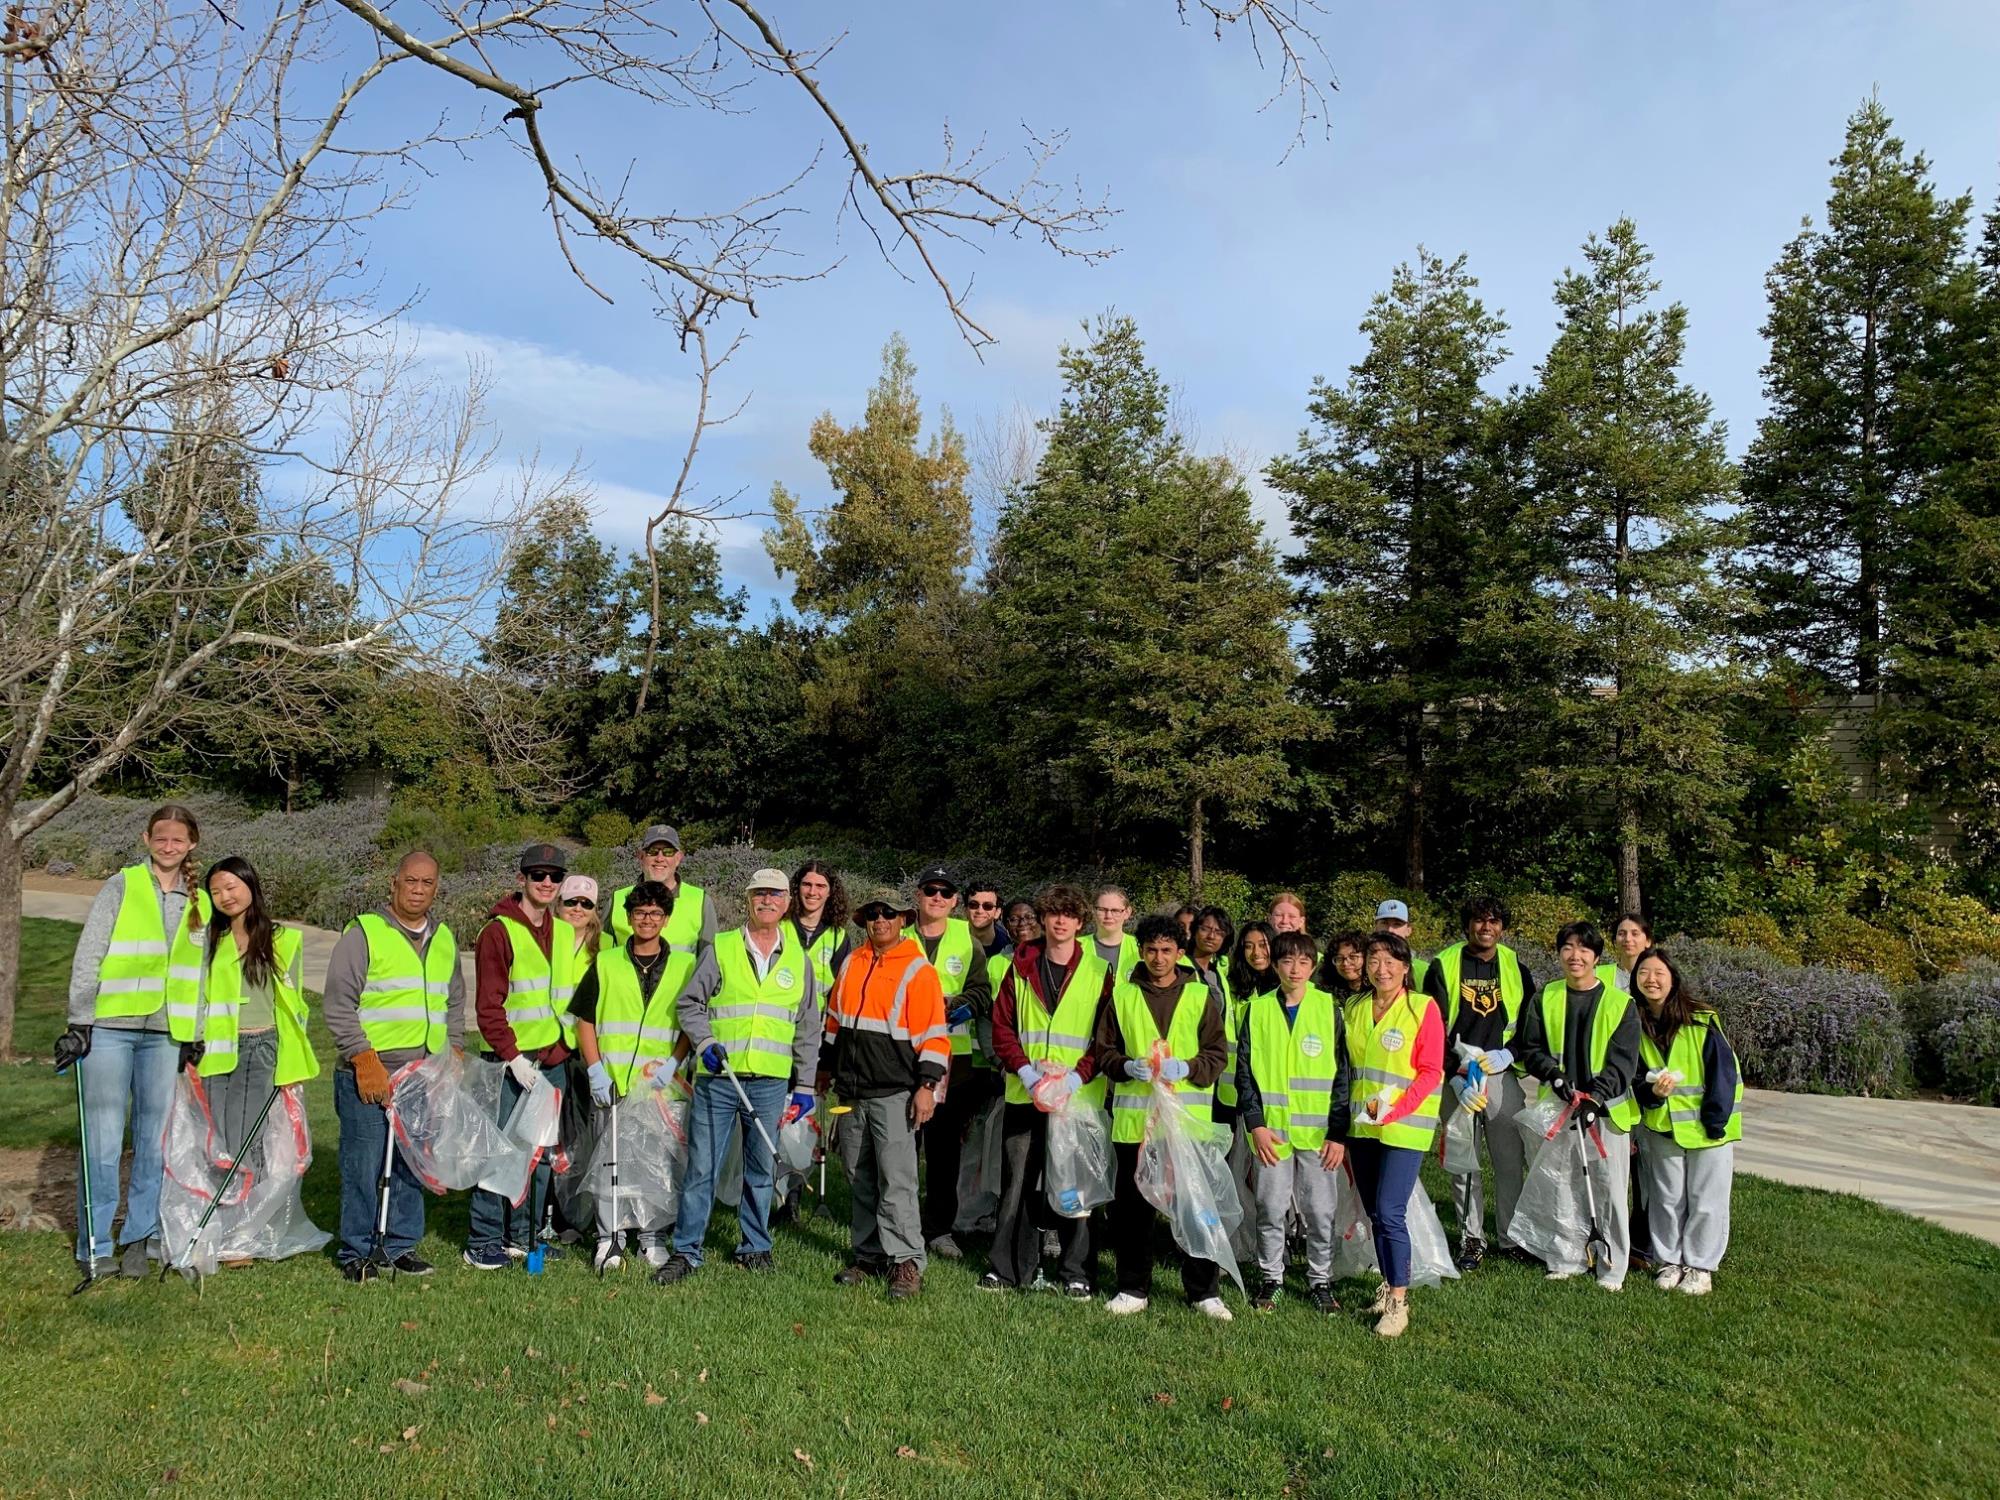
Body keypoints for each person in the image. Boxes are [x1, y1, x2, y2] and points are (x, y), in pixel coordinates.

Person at [54, 804, 212, 1279]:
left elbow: (199, 974)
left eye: (178, 840)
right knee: (101, 1139)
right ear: (146, 839)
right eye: (161, 838)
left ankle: (138, 1238)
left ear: (191, 845)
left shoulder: (198, 901)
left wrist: (195, 1034)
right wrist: (80, 1019)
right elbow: (91, 951)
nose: (169, 847)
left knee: (153, 1142)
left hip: (165, 1036)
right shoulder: (121, 885)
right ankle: (95, 1243)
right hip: (109, 1028)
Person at [654, 869, 821, 1282]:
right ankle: (687, 1250)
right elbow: (690, 1004)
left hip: (769, 1082)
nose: (767, 901)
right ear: (748, 900)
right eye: (759, 894)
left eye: (775, 895)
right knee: (702, 1167)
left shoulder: (799, 959)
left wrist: (804, 1085)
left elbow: (808, 1026)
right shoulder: (723, 947)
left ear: (787, 903)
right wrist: (705, 1044)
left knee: (761, 1168)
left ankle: (755, 1246)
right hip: (719, 1079)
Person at [321, 850, 465, 1281]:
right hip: (370, 1072)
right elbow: (339, 1003)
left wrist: (453, 1052)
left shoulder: (443, 938)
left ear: (436, 889)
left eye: (427, 884)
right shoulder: (364, 933)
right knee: (363, 1165)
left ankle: (401, 1244)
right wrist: (362, 1058)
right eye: (411, 881)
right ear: (394, 883)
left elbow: (454, 1001)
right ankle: (358, 1251)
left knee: (410, 1161)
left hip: (422, 1073)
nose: (418, 890)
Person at [1095, 915, 1232, 1320]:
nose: (1158, 958)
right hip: (1135, 1124)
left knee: (1193, 1206)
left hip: (1186, 1123)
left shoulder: (1198, 995)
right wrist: (1125, 1066)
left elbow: (1217, 1053)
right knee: (1133, 1211)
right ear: (1141, 951)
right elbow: (1103, 1052)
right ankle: (1132, 1287)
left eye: (1167, 950)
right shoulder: (1122, 996)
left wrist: (1188, 1067)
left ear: (1180, 952)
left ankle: (1204, 1291)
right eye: (1151, 950)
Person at [818, 887, 950, 1301]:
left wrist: (926, 1088)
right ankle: (869, 1255)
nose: (880, 920)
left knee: (898, 1180)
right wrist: (825, 1067)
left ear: (902, 920)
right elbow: (834, 1022)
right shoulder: (853, 962)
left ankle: (907, 1262)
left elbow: (933, 1035)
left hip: (895, 1091)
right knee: (859, 1177)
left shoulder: (918, 969)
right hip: (851, 1089)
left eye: (888, 914)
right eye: (873, 914)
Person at [189, 856, 322, 1265]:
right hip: (218, 1050)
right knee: (221, 1141)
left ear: (250, 885)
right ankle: (221, 1227)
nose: (225, 897)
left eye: (232, 886)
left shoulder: (282, 940)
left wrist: (289, 1060)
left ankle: (245, 1233)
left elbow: (293, 1006)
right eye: (216, 891)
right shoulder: (207, 942)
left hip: (263, 1049)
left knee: (252, 1140)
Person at [984, 883, 1110, 1294]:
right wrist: (1026, 1073)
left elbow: (1105, 1038)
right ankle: (1006, 1269)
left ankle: (1076, 1273)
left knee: (1074, 1188)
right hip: (1026, 1094)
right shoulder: (1018, 967)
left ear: (1079, 922)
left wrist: (1075, 1077)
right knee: (1016, 1185)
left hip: (1075, 1099)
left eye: (1069, 915)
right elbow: (1002, 1028)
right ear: (1044, 919)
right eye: (1053, 914)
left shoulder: (1097, 972)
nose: (1060, 922)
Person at [465, 843, 576, 1270]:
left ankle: (523, 1233)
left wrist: (562, 1047)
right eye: (537, 876)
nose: (546, 883)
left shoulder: (563, 931)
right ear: (522, 880)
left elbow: (564, 997)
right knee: (501, 1151)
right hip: (512, 1061)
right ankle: (484, 1238)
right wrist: (512, 1056)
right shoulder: (498, 931)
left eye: (554, 877)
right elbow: (489, 1006)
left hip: (552, 1059)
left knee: (541, 1151)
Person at [1515, 921, 1641, 1293]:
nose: (1575, 955)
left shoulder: (1621, 1004)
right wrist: (1554, 1077)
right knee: (1563, 1185)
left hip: (1605, 1112)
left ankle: (1612, 1266)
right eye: (1567, 947)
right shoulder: (1546, 996)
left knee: (1611, 1191)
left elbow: (1623, 1063)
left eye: (1584, 949)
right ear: (1559, 954)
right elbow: (1531, 1047)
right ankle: (1566, 1256)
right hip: (1559, 1107)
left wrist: (1596, 1098)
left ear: (1596, 958)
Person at [570, 880, 688, 1270]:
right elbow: (585, 1020)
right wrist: (595, 1068)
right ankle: (610, 1237)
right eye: (640, 913)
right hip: (615, 1083)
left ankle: (651, 1236)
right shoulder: (606, 962)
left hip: (658, 1087)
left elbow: (691, 1022)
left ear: (666, 919)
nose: (647, 920)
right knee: (610, 1161)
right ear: (629, 918)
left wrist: (675, 1061)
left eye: (655, 913)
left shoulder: (686, 966)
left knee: (655, 1164)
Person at [1423, 893, 1535, 1272]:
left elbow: (1530, 1026)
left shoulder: (1515, 966)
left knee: (1509, 1160)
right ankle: (1472, 1238)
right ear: (1467, 924)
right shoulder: (1445, 963)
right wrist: (1453, 1075)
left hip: (1500, 1074)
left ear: (1502, 927)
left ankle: (1511, 1235)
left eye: (1493, 921)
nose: (1486, 927)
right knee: (1462, 1160)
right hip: (1459, 1076)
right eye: (1478, 920)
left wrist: (1511, 1054)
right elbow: (1433, 1028)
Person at [1239, 931, 1350, 1313]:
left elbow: (1342, 1076)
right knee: (1270, 1208)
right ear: (1275, 965)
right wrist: (1255, 1123)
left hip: (1319, 1134)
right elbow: (1244, 1074)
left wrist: (1338, 1132)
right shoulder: (1257, 1010)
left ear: (1314, 966)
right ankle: (1272, 1277)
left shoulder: (1328, 1009)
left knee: (1320, 1211)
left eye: (1304, 962)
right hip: (1272, 1133)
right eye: (1287, 961)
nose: (1295, 969)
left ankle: (1321, 1279)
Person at [1342, 930, 1444, 1338]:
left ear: (1406, 967)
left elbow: (1431, 1069)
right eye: (1373, 961)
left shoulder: (1422, 1008)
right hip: (1362, 1125)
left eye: (1390, 962)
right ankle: (1388, 1286)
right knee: (1373, 1214)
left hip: (1404, 1125)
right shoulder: (1353, 1006)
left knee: (1389, 1211)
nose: (1381, 969)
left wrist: (1396, 1109)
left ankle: (1399, 1302)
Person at [1632, 947, 1740, 1296]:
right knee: (1666, 1198)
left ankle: (1700, 1267)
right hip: (1663, 1126)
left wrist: (1715, 1121)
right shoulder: (1635, 1024)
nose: (1651, 979)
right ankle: (1670, 1261)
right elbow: (1635, 1079)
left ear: (1673, 978)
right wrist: (1653, 1096)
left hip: (1709, 1130)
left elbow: (1724, 1074)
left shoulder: (1702, 1021)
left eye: (1659, 972)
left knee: (1706, 1200)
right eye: (1644, 973)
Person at [906, 864, 994, 1261]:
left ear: (955, 901)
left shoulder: (965, 937)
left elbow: (982, 991)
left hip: (952, 1061)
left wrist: (961, 1006)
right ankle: (903, 1224)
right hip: (903, 1056)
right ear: (918, 896)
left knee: (944, 1152)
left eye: (945, 892)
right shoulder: (900, 934)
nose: (937, 898)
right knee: (903, 1148)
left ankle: (939, 1229)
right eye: (930, 891)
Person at [608, 824, 716, 965]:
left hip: (682, 988)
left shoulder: (700, 901)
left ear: (678, 858)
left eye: (668, 852)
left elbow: (710, 962)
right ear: (641, 856)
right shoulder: (616, 900)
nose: (660, 858)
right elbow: (600, 958)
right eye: (653, 851)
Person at [789, 860, 851, 1004]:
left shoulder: (838, 937)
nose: (812, 892)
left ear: (830, 892)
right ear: (797, 888)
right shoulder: (779, 927)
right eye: (807, 884)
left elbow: (840, 990)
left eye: (820, 886)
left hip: (817, 1024)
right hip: (779, 1022)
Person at [1373, 899, 1430, 992]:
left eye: (1397, 924)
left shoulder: (1425, 970)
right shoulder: (1361, 966)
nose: (1390, 930)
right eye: (1384, 923)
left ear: (1409, 930)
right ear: (1375, 926)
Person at [1091, 886, 1139, 976]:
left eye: (1115, 910)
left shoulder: (1141, 948)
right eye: (1102, 910)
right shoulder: (1075, 947)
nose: (1108, 916)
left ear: (1127, 912)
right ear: (1093, 911)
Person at [1316, 929, 1368, 999]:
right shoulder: (1325, 994)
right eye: (1339, 958)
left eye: (1353, 957)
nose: (1345, 963)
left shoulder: (1378, 993)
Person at [1610, 912, 1652, 992]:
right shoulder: (1598, 975)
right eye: (1621, 934)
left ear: (1648, 941)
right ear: (1615, 941)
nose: (1628, 939)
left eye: (1635, 934)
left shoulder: (1657, 977)